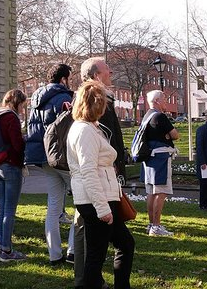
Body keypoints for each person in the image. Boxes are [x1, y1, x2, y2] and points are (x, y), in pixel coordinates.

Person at [67, 80, 134, 289]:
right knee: (97, 255)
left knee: (121, 245)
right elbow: (88, 171)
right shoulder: (85, 130)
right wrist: (102, 208)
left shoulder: (90, 128)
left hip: (101, 197)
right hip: (97, 200)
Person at [25, 63, 75, 264]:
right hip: (61, 157)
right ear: (64, 78)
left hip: (43, 156)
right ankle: (73, 251)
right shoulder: (63, 97)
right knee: (81, 203)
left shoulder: (36, 98)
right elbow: (69, 129)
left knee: (53, 205)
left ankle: (54, 254)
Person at [0, 89, 28, 262]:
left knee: (2, 210)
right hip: (11, 166)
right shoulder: (11, 117)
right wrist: (25, 139)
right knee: (9, 210)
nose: (23, 108)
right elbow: (17, 145)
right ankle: (6, 250)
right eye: (22, 104)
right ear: (17, 102)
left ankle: (2, 246)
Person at [141, 90, 179, 236]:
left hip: (149, 157)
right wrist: (168, 134)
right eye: (164, 99)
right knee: (161, 191)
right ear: (156, 101)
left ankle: (151, 224)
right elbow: (175, 135)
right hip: (161, 157)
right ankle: (156, 227)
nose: (166, 102)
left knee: (151, 191)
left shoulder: (147, 116)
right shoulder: (160, 116)